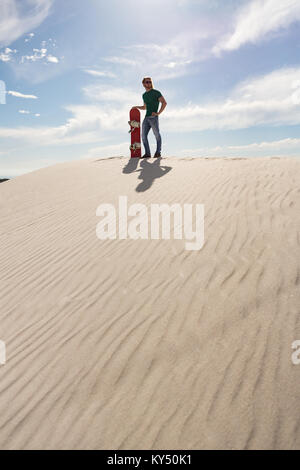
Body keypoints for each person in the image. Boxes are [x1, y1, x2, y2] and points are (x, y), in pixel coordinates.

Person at [131, 77, 167, 158]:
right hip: (146, 118)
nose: (149, 83)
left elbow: (164, 103)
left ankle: (158, 152)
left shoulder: (156, 92)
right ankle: (147, 153)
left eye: (150, 82)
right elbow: (145, 107)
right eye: (147, 82)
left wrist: (158, 113)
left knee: (156, 134)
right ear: (143, 84)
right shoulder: (144, 95)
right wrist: (136, 107)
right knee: (143, 136)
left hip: (153, 118)